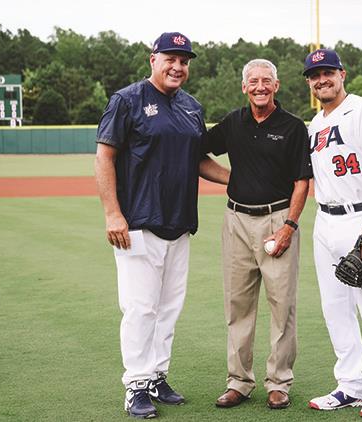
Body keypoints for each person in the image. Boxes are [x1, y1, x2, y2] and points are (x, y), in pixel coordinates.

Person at [94, 31, 229, 419]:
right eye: (170, 58)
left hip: (179, 222)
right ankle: (135, 384)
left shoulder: (191, 107)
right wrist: (112, 212)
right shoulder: (127, 100)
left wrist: (236, 181)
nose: (178, 66)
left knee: (169, 307)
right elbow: (105, 157)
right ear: (152, 59)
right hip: (137, 222)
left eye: (184, 61)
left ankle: (156, 375)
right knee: (140, 308)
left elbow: (199, 160)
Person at [204, 59, 312, 410]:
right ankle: (239, 381)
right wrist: (229, 180)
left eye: (267, 81)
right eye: (254, 81)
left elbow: (302, 181)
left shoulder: (293, 127)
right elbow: (196, 153)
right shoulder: (234, 122)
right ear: (244, 87)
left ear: (276, 86)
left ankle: (279, 382)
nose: (260, 86)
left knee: (282, 306)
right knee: (238, 305)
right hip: (236, 220)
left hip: (277, 220)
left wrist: (289, 226)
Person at [302, 48, 362, 419]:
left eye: (328, 72)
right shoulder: (315, 124)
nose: (321, 79)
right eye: (314, 75)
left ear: (342, 74)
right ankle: (351, 383)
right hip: (324, 220)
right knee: (334, 308)